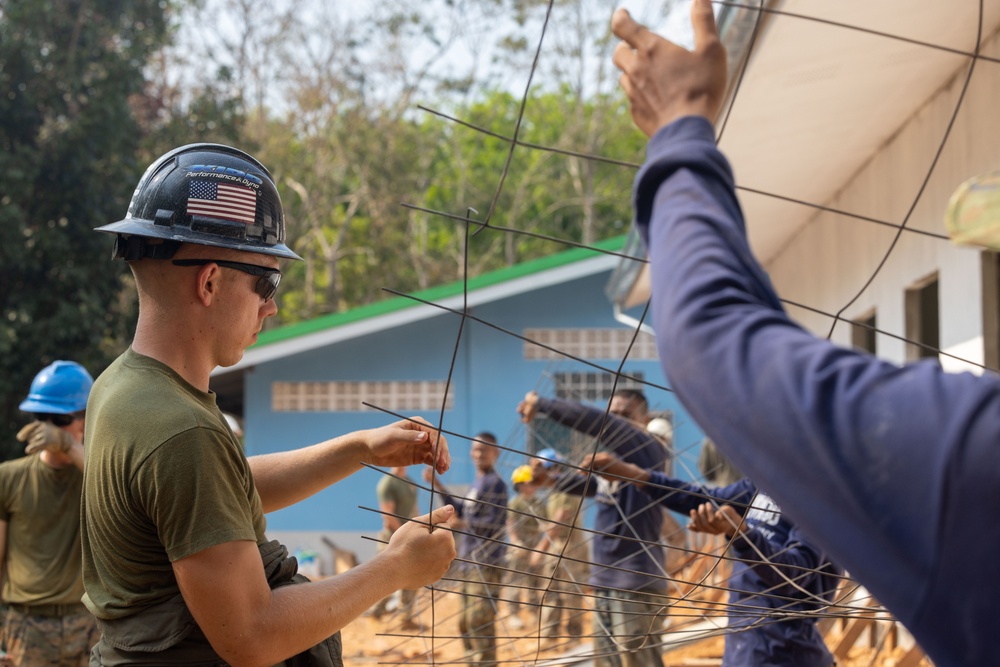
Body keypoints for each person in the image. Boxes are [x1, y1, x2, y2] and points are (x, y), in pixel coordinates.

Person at [611, 2, 1000, 664]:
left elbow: (802, 583)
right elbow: (701, 493)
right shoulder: (767, 482)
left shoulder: (917, 480)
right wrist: (635, 475)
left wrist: (681, 129)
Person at [82, 143, 456, 666]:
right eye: (266, 282)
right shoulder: (180, 429)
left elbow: (217, 494)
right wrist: (395, 567)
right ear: (209, 280)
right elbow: (252, 636)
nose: (272, 306)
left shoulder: (125, 387)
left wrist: (359, 449)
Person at [585, 452, 841, 667]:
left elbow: (796, 575)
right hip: (744, 647)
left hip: (783, 653)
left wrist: (743, 535)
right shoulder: (766, 483)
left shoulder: (820, 498)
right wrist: (636, 475)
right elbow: (702, 499)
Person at [518, 389, 668, 667]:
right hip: (606, 582)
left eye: (626, 416)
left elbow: (598, 422)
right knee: (605, 662)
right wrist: (549, 480)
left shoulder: (648, 450)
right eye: (615, 415)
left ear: (645, 420)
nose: (619, 422)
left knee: (640, 661)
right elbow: (586, 485)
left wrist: (542, 404)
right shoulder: (613, 465)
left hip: (636, 583)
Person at [0, 361, 96, 666]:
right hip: (27, 626)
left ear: (85, 420)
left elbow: (117, 487)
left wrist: (69, 446)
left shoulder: (98, 475)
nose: (46, 427)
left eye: (59, 418)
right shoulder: (8, 477)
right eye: (40, 417)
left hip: (87, 623)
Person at [424, 432, 507, 667]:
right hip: (469, 562)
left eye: (484, 450)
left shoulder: (496, 484)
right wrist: (438, 485)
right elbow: (461, 510)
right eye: (475, 449)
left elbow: (495, 522)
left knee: (479, 620)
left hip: (487, 563)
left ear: (495, 453)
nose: (478, 454)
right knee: (465, 622)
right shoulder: (477, 484)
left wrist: (464, 524)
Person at [525, 449, 589, 649]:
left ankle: (575, 638)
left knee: (571, 594)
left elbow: (561, 518)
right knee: (550, 591)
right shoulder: (554, 489)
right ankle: (550, 637)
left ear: (554, 468)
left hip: (570, 547)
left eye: (542, 470)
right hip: (556, 547)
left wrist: (540, 548)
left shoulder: (567, 486)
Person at [368, 466, 420, 630]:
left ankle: (405, 618)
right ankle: (376, 610)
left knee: (413, 576)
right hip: (392, 536)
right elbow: (388, 514)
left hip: (409, 535)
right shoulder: (387, 483)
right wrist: (402, 534)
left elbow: (414, 509)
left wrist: (418, 529)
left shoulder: (410, 482)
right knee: (387, 577)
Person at [505, 465, 545, 629]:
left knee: (534, 580)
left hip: (535, 544)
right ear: (520, 485)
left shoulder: (539, 503)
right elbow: (511, 524)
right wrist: (516, 542)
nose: (533, 486)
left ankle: (534, 612)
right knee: (515, 580)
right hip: (520, 544)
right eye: (529, 482)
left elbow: (545, 524)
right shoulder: (516, 503)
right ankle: (513, 614)